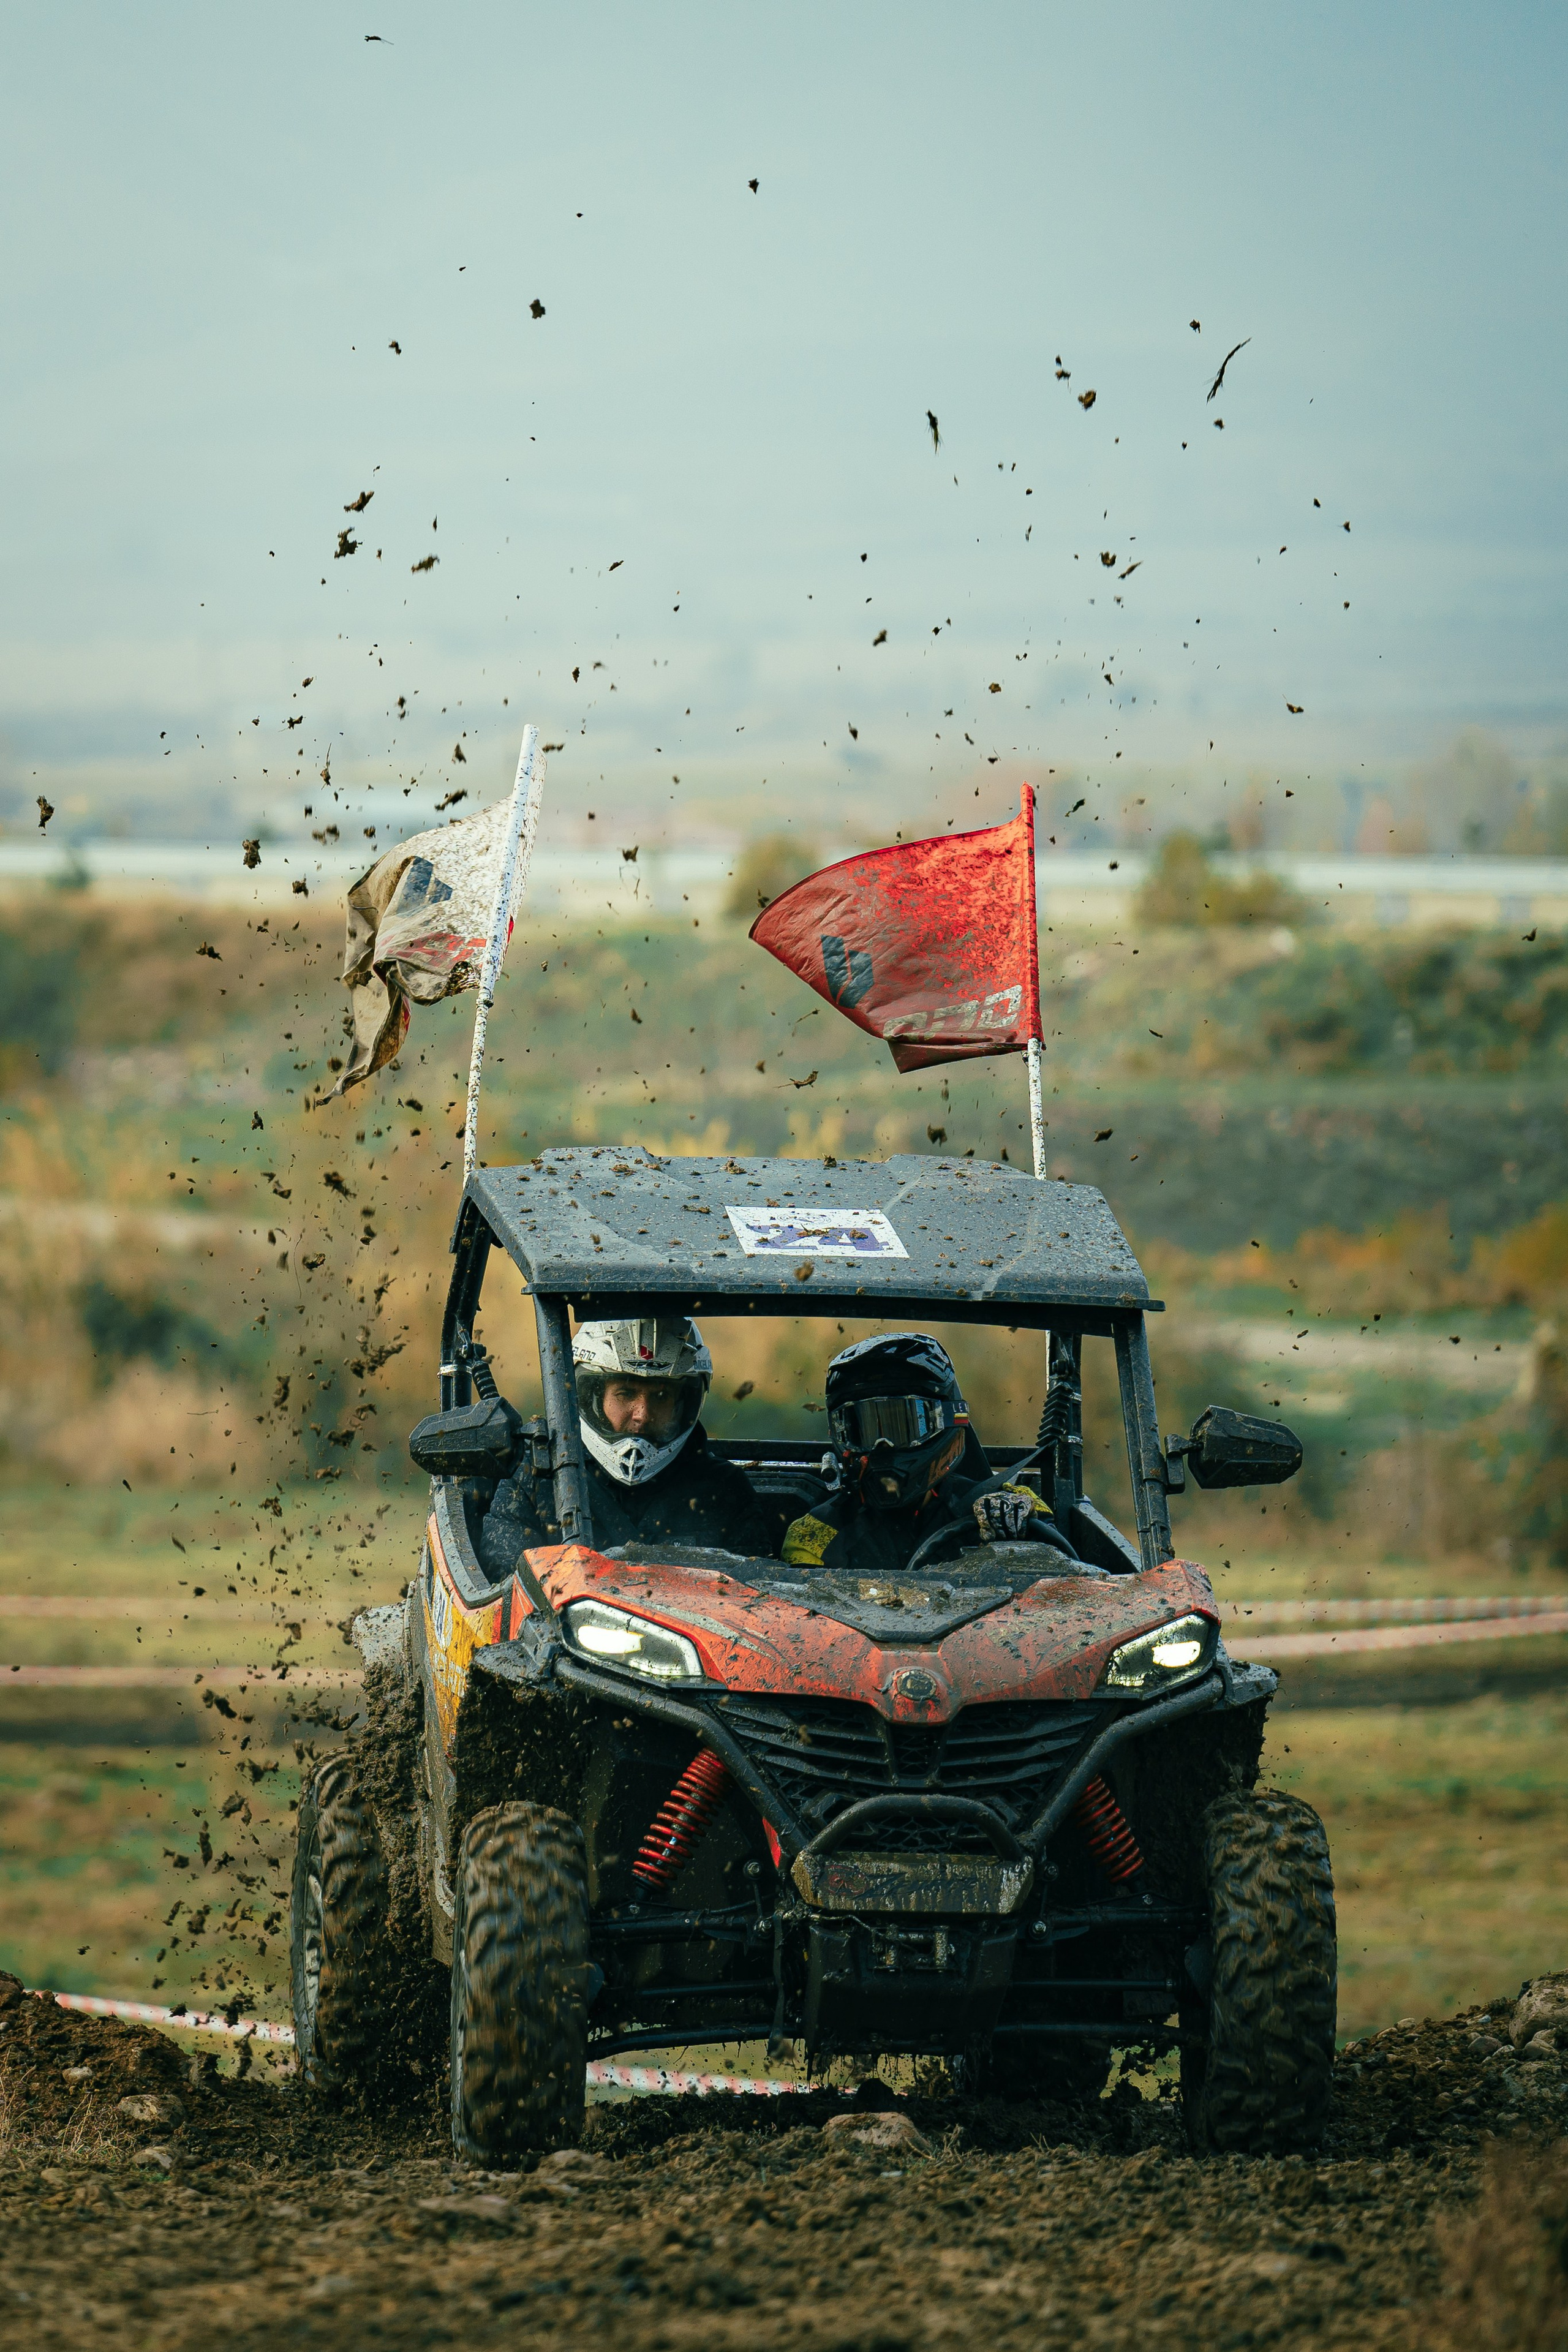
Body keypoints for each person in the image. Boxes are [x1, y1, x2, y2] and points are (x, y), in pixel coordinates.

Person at [478, 1315, 774, 1572]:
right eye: (625, 1394)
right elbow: (507, 1590)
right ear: (595, 1397)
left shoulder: (723, 1491)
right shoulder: (537, 1478)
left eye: (660, 1397)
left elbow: (760, 1600)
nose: (642, 1416)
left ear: (682, 1405)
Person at [780, 1332, 1063, 1577]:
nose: (883, 1445)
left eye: (901, 1426)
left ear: (945, 1422)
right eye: (864, 1429)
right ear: (842, 1436)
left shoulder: (998, 1504)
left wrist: (1016, 1534)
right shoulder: (813, 1534)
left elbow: (1057, 1578)